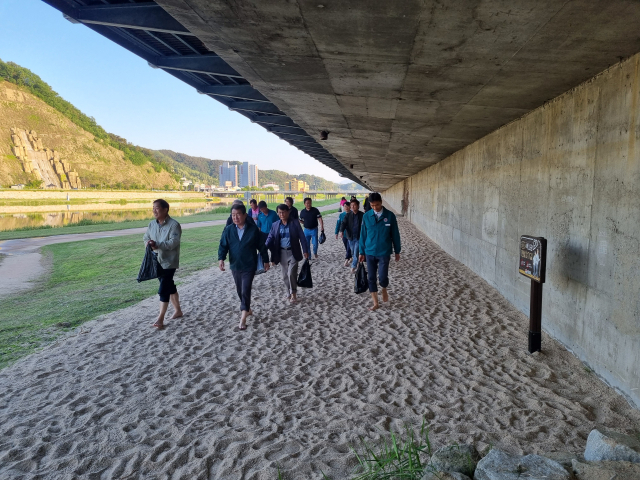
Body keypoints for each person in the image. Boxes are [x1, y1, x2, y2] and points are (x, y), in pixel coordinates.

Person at [218, 203, 270, 330]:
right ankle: (248, 308)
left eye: (238, 215)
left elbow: (261, 246)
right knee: (239, 290)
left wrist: (266, 260)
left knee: (245, 289)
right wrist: (221, 258)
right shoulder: (229, 229)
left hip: (249, 264)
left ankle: (243, 318)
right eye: (233, 215)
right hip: (235, 264)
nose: (235, 218)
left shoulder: (253, 230)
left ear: (245, 215)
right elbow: (223, 245)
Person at [143, 199, 183, 329]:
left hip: (169, 262)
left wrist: (157, 245)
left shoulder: (174, 225)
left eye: (157, 208)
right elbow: (145, 237)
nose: (154, 210)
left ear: (165, 209)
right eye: (153, 207)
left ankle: (160, 318)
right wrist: (149, 243)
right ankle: (178, 311)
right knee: (168, 285)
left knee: (163, 289)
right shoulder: (151, 225)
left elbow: (173, 242)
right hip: (156, 261)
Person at [358, 192, 401, 311]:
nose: (374, 208)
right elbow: (363, 235)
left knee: (382, 277)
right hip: (369, 252)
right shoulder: (367, 216)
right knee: (371, 278)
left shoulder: (390, 216)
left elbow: (395, 234)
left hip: (384, 252)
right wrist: (361, 252)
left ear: (381, 202)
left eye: (376, 205)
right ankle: (375, 302)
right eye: (372, 205)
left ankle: (384, 288)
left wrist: (397, 250)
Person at [265, 204, 310, 303]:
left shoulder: (295, 223)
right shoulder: (275, 225)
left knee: (291, 273)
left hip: (293, 252)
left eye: (283, 212)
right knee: (285, 275)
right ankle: (288, 292)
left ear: (288, 212)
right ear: (277, 213)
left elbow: (302, 237)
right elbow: (270, 237)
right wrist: (264, 247)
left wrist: (305, 250)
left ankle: (293, 293)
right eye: (280, 212)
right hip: (281, 253)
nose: (282, 214)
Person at [339, 198, 364, 273]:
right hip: (350, 237)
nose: (353, 207)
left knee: (356, 252)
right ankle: (357, 262)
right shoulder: (348, 215)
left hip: (359, 237)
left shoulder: (362, 215)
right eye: (351, 205)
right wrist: (341, 231)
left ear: (358, 206)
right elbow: (343, 223)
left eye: (354, 205)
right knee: (353, 252)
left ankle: (353, 266)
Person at [335, 202, 352, 267]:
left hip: (350, 235)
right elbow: (338, 224)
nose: (346, 208)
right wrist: (336, 232)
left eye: (348, 206)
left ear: (350, 207)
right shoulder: (341, 215)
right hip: (343, 234)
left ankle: (346, 259)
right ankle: (350, 257)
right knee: (346, 246)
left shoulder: (352, 214)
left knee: (348, 246)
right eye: (345, 206)